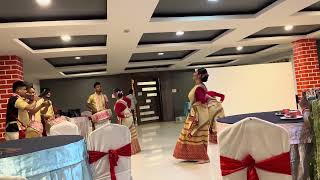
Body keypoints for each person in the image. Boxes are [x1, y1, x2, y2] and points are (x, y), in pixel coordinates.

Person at [173, 68, 210, 164]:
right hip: (196, 112)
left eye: (196, 73)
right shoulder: (199, 86)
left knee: (194, 134)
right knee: (191, 134)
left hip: (198, 114)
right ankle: (194, 155)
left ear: (199, 76)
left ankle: (203, 157)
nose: (194, 74)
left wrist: (207, 97)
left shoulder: (199, 87)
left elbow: (202, 100)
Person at [113, 88, 141, 154]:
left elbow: (118, 114)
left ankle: (129, 150)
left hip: (125, 120)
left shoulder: (118, 103)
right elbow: (129, 101)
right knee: (132, 134)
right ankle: (136, 149)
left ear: (115, 95)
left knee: (125, 135)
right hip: (130, 118)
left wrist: (124, 116)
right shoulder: (125, 98)